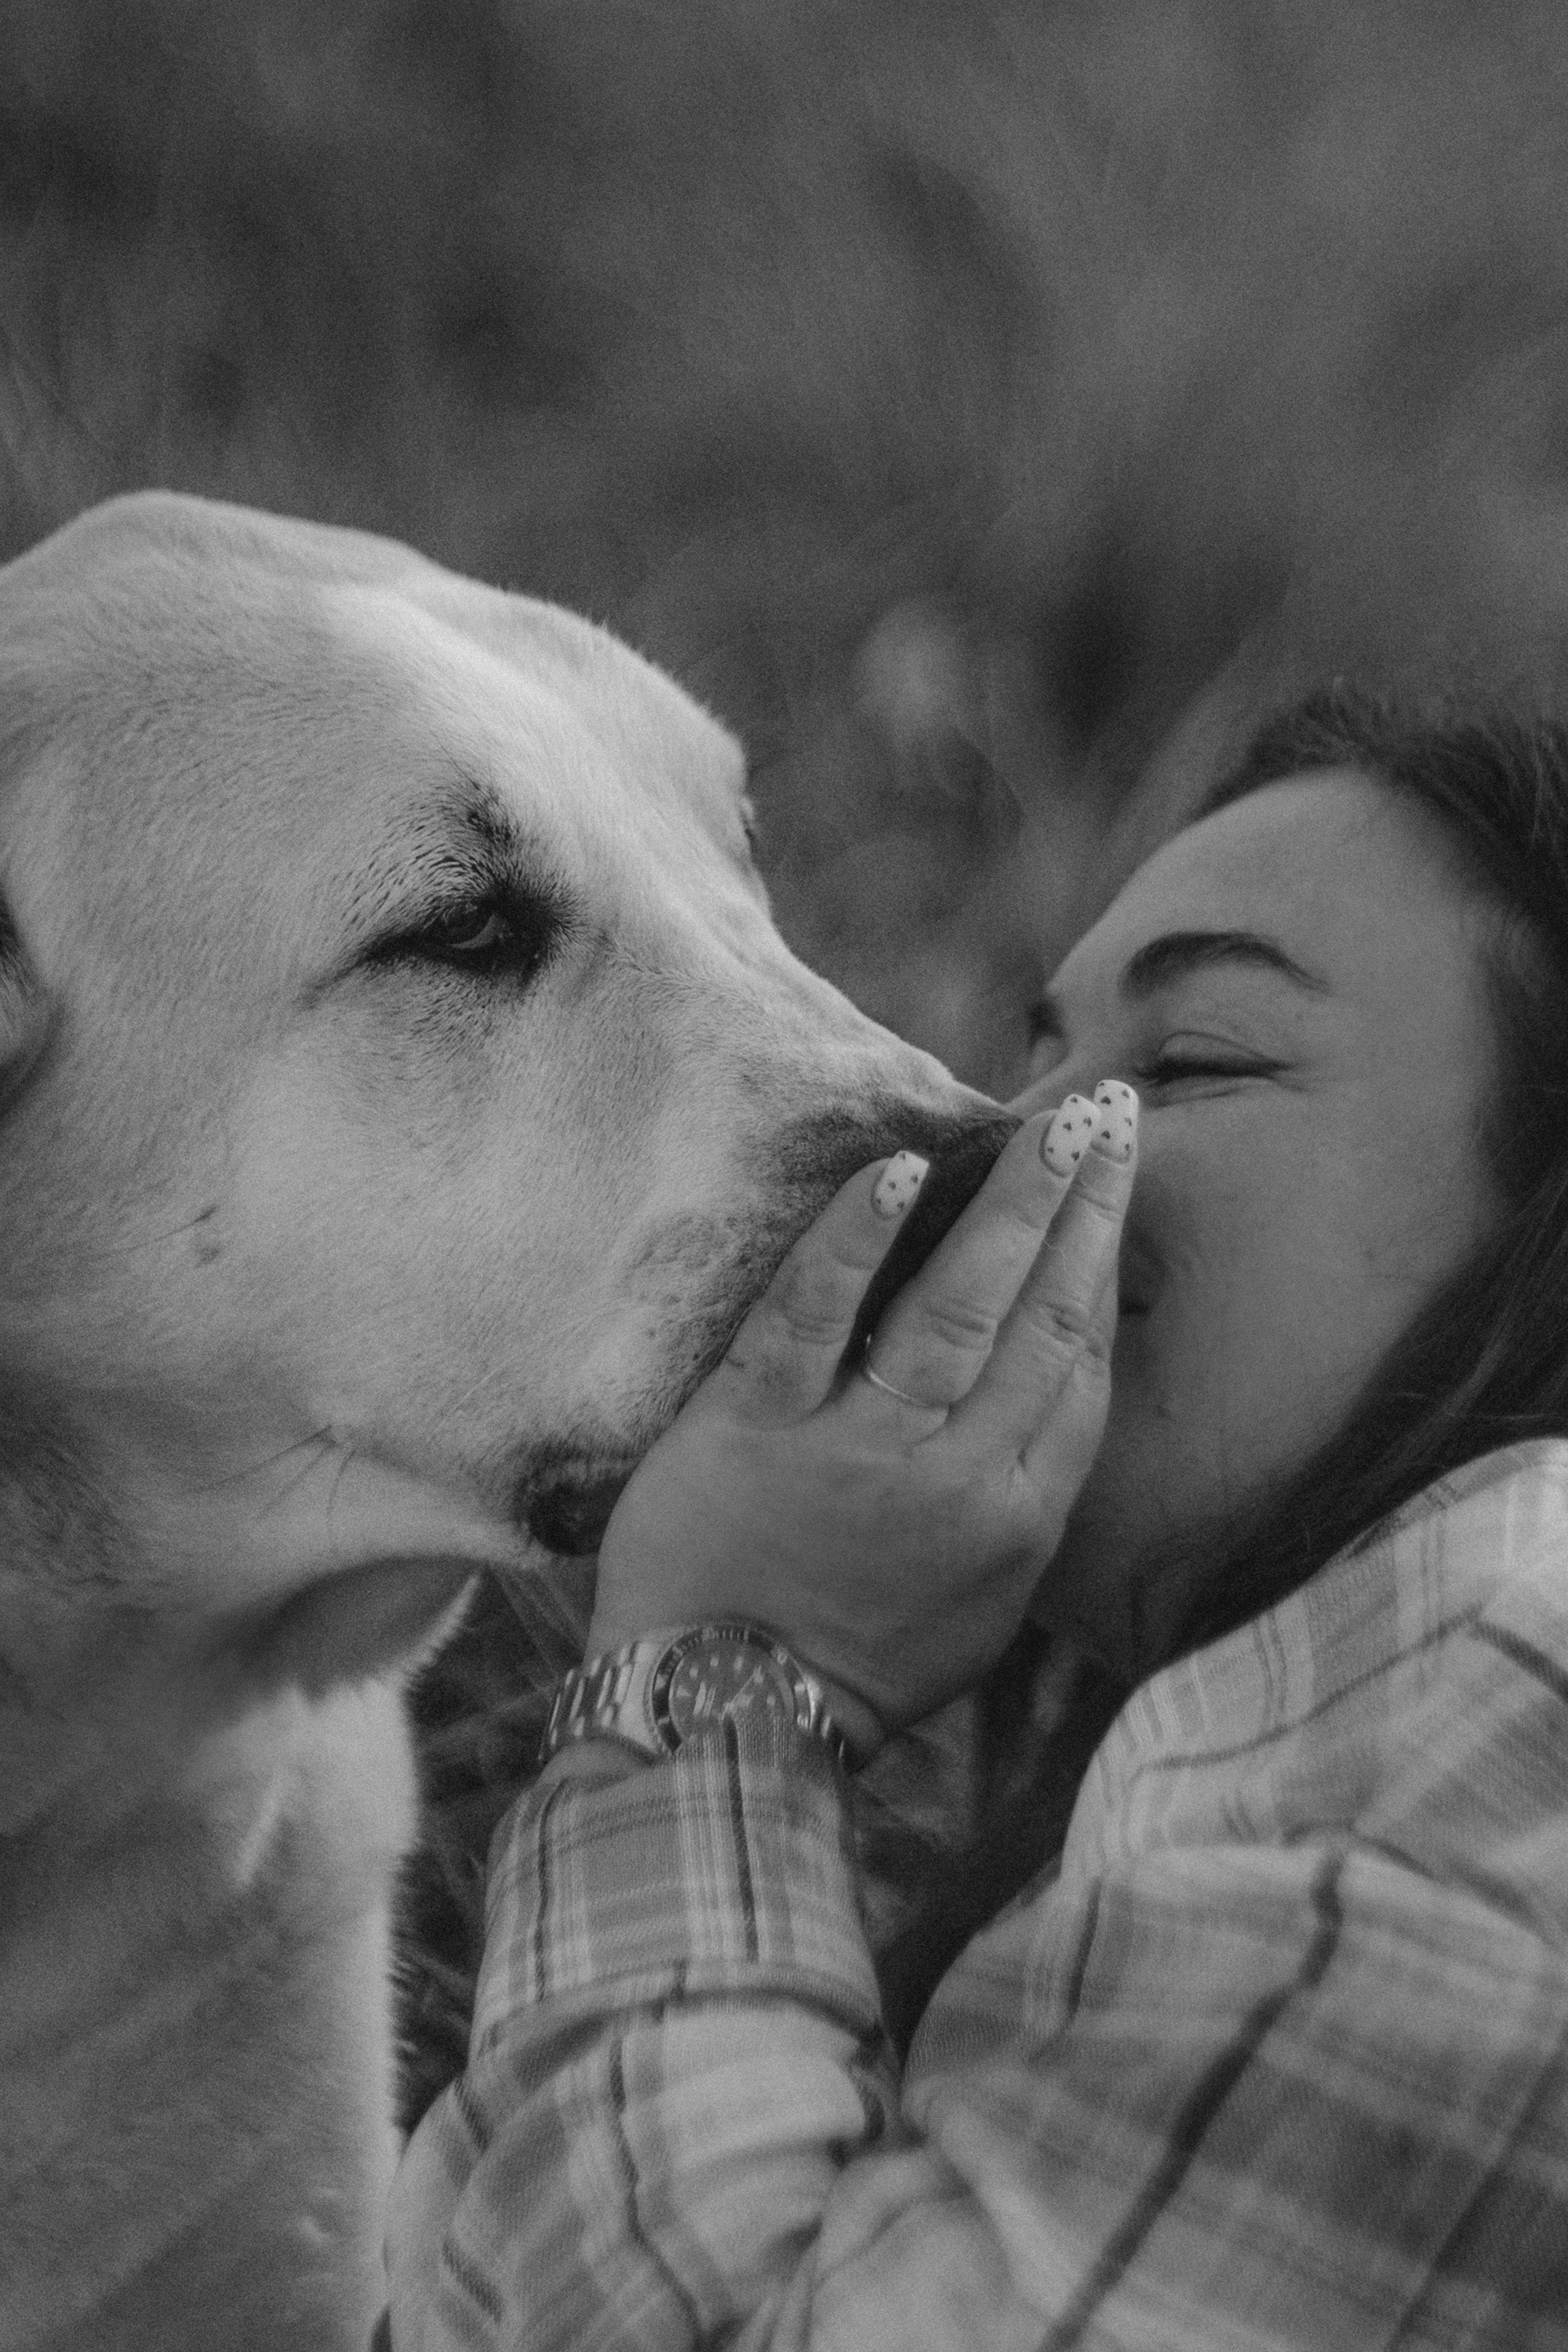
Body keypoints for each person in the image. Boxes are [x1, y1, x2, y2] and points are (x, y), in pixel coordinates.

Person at [386, 686, 1568, 2349]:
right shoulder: (1266, 1778)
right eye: (1038, 1060)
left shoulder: (1516, 1666)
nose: (1008, 1152)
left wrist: (727, 1673)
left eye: (1200, 1059)